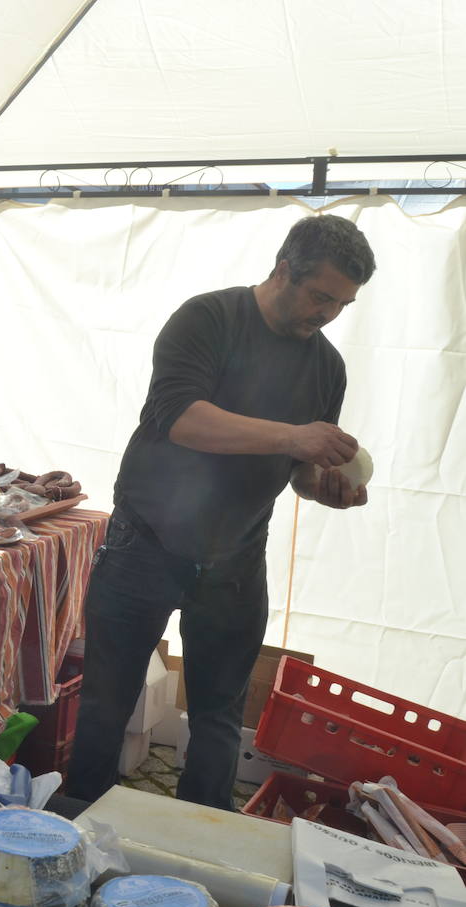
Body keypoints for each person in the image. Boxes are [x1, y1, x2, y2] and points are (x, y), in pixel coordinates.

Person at [65, 215, 375, 810]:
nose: (328, 314)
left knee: (218, 716)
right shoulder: (208, 318)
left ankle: (203, 836)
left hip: (236, 556)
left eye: (343, 303)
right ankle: (82, 820)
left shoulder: (326, 367)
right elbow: (180, 417)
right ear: (284, 269)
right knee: (108, 699)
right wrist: (295, 439)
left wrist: (324, 485)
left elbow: (302, 471)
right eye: (320, 296)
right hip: (144, 544)